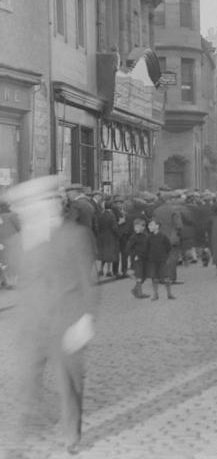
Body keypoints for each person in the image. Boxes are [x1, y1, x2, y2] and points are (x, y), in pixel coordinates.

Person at [3, 175, 99, 456]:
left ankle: (71, 434)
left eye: (32, 205)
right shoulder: (17, 243)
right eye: (23, 206)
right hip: (32, 325)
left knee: (69, 383)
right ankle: (21, 435)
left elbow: (87, 281)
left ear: (48, 205)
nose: (25, 211)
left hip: (67, 323)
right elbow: (20, 283)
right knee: (25, 383)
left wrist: (85, 321)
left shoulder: (74, 236)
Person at [146, 218, 174, 301]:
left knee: (166, 277)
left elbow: (168, 247)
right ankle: (155, 294)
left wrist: (165, 256)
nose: (149, 226)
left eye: (151, 225)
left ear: (157, 226)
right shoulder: (149, 237)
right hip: (152, 261)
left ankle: (169, 294)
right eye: (149, 225)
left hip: (162, 260)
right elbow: (146, 248)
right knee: (154, 277)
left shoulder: (163, 237)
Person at [126, 218, 150, 299]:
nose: (143, 227)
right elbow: (128, 248)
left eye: (144, 226)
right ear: (135, 227)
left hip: (145, 258)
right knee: (139, 275)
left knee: (144, 276)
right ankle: (140, 293)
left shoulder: (145, 235)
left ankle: (134, 290)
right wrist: (134, 255)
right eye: (141, 226)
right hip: (137, 259)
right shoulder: (133, 237)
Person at [96, 200, 120, 277]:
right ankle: (108, 271)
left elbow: (97, 226)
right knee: (109, 255)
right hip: (110, 237)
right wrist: (118, 234)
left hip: (101, 236)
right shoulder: (112, 215)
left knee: (103, 254)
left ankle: (100, 270)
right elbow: (114, 228)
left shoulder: (101, 214)